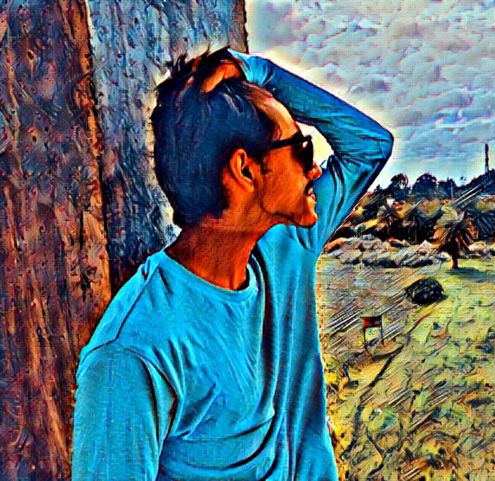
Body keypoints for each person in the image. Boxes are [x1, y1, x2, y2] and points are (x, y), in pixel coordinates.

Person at [72, 46, 393, 480]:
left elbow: (370, 146)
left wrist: (259, 73)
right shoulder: (133, 351)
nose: (315, 169)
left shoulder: (286, 244)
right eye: (300, 148)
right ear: (244, 170)